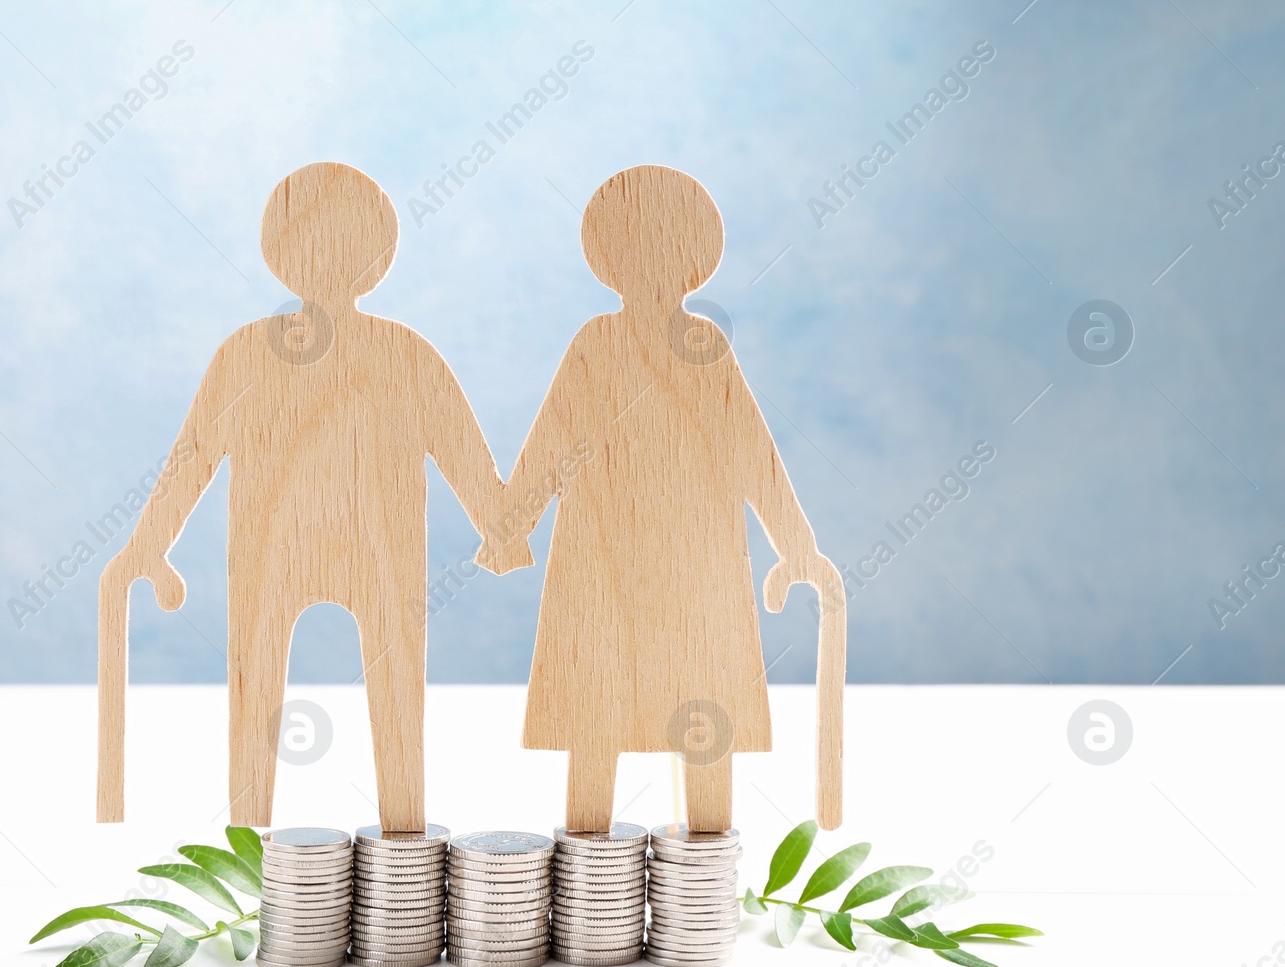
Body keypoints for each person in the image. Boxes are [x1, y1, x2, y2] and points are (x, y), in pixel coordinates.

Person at [100, 162, 527, 830]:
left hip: (347, 553)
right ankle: (332, 836)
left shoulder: (268, 353)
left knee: (352, 690)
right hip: (289, 552)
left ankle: (366, 839)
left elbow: (192, 460)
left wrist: (148, 547)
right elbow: (193, 458)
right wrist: (503, 528)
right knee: (298, 685)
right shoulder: (384, 353)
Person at [493, 165, 840, 832]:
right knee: (619, 710)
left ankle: (698, 864)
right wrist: (511, 525)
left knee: (690, 708)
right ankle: (595, 871)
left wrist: (798, 548)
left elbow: (750, 453)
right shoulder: (609, 345)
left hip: (683, 569)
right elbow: (552, 445)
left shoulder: (691, 347)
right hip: (618, 564)